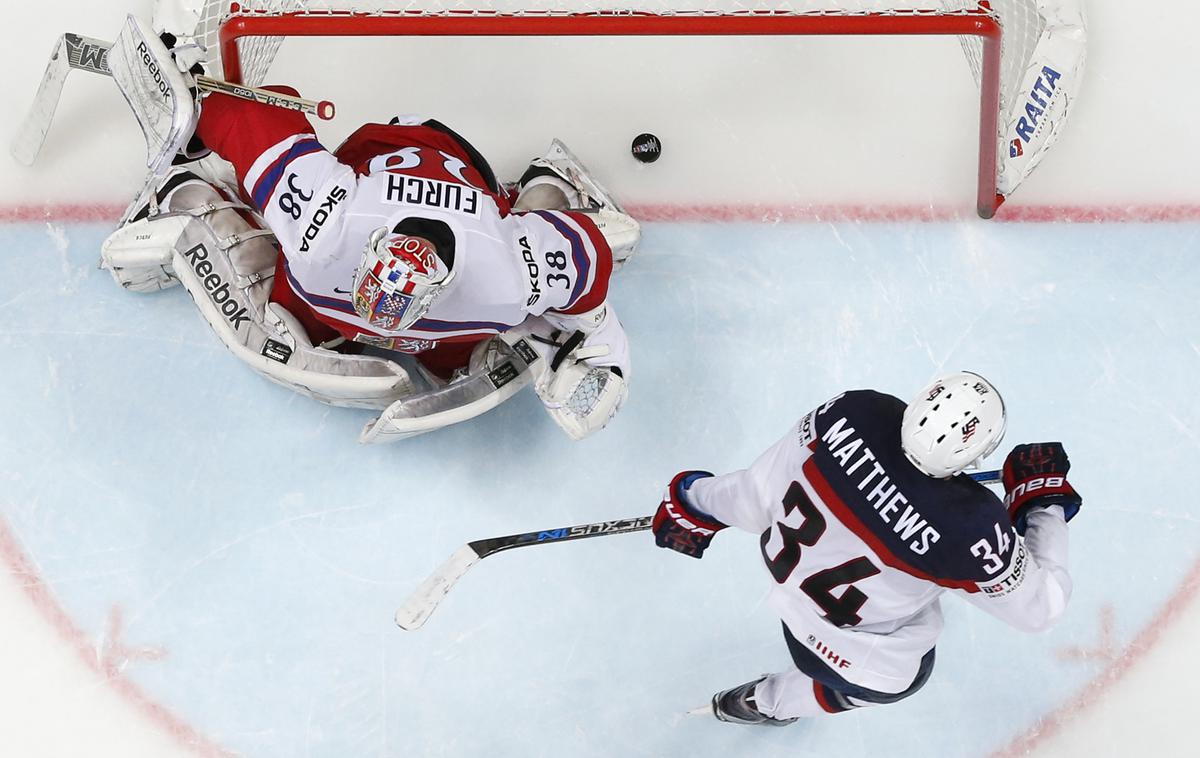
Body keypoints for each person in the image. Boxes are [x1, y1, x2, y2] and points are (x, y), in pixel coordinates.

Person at [100, 81, 640, 441]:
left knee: (454, 346)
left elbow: (587, 263)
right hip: (383, 158)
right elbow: (258, 108)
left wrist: (602, 353)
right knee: (291, 292)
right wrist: (189, 110)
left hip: (452, 164)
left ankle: (554, 180)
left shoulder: (502, 271)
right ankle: (191, 198)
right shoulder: (328, 221)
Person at [650, 372, 1081, 724]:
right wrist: (1041, 502)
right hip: (850, 653)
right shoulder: (970, 527)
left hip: (788, 591)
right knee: (900, 677)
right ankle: (765, 702)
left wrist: (694, 501)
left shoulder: (851, 412)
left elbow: (757, 491)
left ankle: (761, 702)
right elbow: (1041, 608)